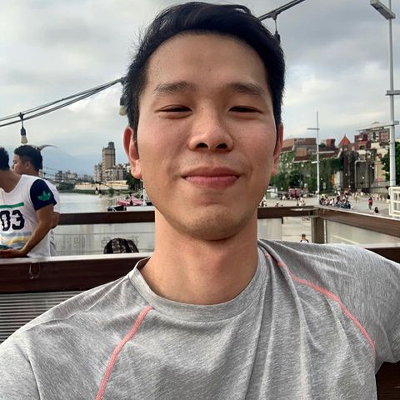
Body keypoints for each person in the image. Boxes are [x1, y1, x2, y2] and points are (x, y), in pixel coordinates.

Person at [0, 3, 399, 399]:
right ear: (134, 151)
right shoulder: (39, 368)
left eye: (242, 108)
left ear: (276, 148)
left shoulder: (358, 286)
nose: (211, 134)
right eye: (176, 108)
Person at [0, 147, 56, 258]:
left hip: (33, 261)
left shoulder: (36, 186)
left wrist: (23, 251)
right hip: (5, 260)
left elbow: (46, 222)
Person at [13, 145, 61, 255]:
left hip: (41, 247)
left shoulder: (47, 188)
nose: (12, 167)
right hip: (16, 245)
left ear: (27, 165)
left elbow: (53, 220)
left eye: (15, 162)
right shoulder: (14, 188)